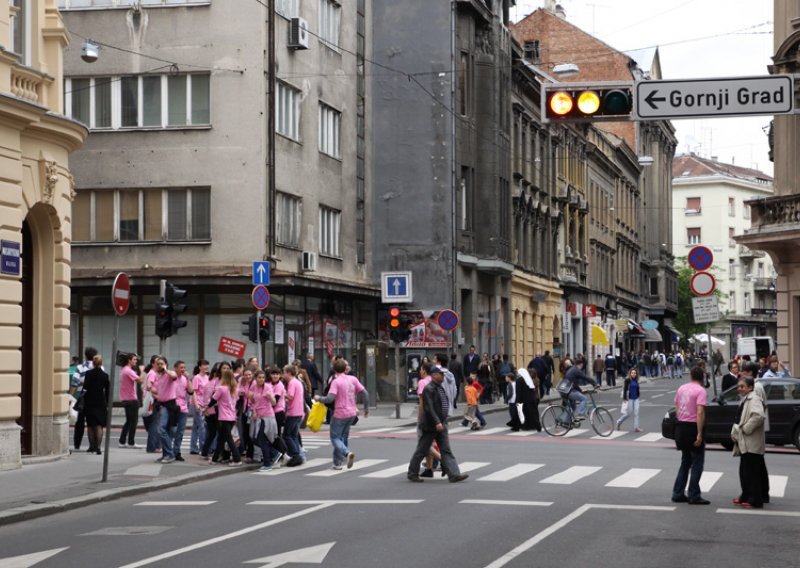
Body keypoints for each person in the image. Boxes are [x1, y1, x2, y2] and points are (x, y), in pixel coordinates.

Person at [407, 365, 468, 483]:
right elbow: (429, 407)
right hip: (431, 425)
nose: (443, 376)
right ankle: (412, 473)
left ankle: (454, 474)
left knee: (446, 450)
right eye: (441, 374)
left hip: (441, 423)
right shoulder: (429, 389)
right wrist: (437, 422)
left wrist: (442, 421)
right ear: (434, 375)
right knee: (422, 450)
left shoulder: (439, 387)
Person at [315, 359, 370, 470]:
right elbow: (365, 393)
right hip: (352, 413)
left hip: (340, 413)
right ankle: (337, 463)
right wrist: (366, 408)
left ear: (334, 369)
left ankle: (346, 453)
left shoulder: (336, 381)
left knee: (335, 437)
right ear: (345, 369)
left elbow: (330, 398)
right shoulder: (353, 379)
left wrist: (319, 398)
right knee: (341, 437)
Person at [671, 367, 710, 505]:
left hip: (681, 426)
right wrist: (699, 433)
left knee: (685, 461)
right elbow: (700, 412)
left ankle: (678, 492)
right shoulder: (701, 391)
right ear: (702, 377)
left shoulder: (681, 388)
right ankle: (694, 494)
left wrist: (680, 419)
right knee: (697, 463)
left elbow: (676, 405)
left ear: (691, 376)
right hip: (693, 427)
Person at [731, 376, 767, 508]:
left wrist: (745, 429)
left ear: (750, 387)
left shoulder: (754, 399)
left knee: (752, 473)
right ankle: (746, 496)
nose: (739, 389)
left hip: (752, 442)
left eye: (742, 386)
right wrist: (736, 433)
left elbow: (759, 416)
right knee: (745, 471)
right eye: (739, 386)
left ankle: (755, 500)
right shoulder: (746, 399)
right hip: (746, 442)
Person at [150, 356, 180, 464]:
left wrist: (165, 369)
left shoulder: (168, 374)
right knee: (165, 430)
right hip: (161, 405)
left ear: (166, 364)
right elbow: (156, 390)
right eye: (158, 364)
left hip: (169, 406)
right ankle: (165, 454)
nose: (159, 366)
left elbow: (174, 376)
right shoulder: (159, 376)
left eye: (161, 363)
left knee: (162, 430)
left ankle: (170, 454)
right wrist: (151, 390)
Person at [249, 369, 280, 472]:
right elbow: (253, 401)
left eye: (263, 377)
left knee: (262, 439)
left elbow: (274, 402)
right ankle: (275, 454)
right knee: (255, 438)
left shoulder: (267, 387)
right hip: (258, 417)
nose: (261, 379)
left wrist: (270, 396)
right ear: (255, 378)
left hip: (267, 417)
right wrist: (253, 411)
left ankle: (267, 463)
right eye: (259, 377)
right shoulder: (254, 387)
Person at [211, 369, 242, 466]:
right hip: (232, 417)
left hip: (224, 417)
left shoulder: (222, 388)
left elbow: (213, 400)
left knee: (229, 439)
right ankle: (214, 459)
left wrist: (206, 407)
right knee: (221, 439)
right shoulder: (235, 389)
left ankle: (237, 459)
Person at [72, 346, 99, 450]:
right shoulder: (99, 367)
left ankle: (77, 444)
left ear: (85, 356)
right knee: (92, 422)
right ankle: (93, 445)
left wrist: (71, 396)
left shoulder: (80, 367)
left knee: (79, 422)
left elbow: (75, 383)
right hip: (95, 398)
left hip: (82, 398)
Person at [82, 354, 109, 455]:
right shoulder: (105, 375)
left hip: (89, 401)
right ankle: (98, 447)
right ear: (101, 363)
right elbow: (107, 391)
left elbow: (85, 387)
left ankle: (91, 446)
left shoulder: (88, 374)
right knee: (99, 425)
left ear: (93, 363)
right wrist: (106, 403)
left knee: (90, 425)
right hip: (100, 402)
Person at [282, 364, 306, 467]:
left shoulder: (291, 382)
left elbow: (290, 396)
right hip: (299, 411)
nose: (283, 375)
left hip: (293, 412)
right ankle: (299, 455)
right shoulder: (298, 382)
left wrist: (282, 393)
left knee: (287, 435)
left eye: (284, 372)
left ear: (288, 373)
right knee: (293, 435)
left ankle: (296, 455)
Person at [118, 353, 144, 448]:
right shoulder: (128, 371)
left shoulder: (123, 369)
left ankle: (122, 441)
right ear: (129, 360)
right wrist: (141, 371)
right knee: (133, 421)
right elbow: (140, 380)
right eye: (134, 359)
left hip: (125, 398)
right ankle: (131, 442)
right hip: (131, 399)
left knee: (129, 421)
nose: (136, 361)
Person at [171, 361, 194, 462]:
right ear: (175, 368)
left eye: (184, 367)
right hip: (172, 407)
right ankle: (168, 451)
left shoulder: (185, 379)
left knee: (180, 432)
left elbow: (191, 391)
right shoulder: (172, 378)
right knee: (172, 431)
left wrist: (188, 379)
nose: (183, 369)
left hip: (183, 408)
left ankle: (177, 452)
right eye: (181, 367)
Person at [190, 360, 209, 455]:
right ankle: (203, 448)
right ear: (200, 367)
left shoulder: (207, 377)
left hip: (204, 404)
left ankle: (193, 448)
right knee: (202, 426)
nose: (206, 367)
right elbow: (193, 392)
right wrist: (197, 405)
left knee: (196, 427)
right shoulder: (196, 378)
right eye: (204, 365)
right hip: (196, 404)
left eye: (207, 365)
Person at [616, 368, 642, 432]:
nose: (633, 374)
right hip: (629, 399)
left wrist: (638, 395)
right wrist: (625, 398)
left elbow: (637, 389)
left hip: (636, 399)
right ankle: (619, 421)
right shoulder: (627, 380)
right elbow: (625, 389)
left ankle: (636, 427)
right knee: (628, 414)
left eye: (635, 373)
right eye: (632, 373)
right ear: (630, 374)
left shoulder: (636, 380)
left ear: (636, 374)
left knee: (636, 413)